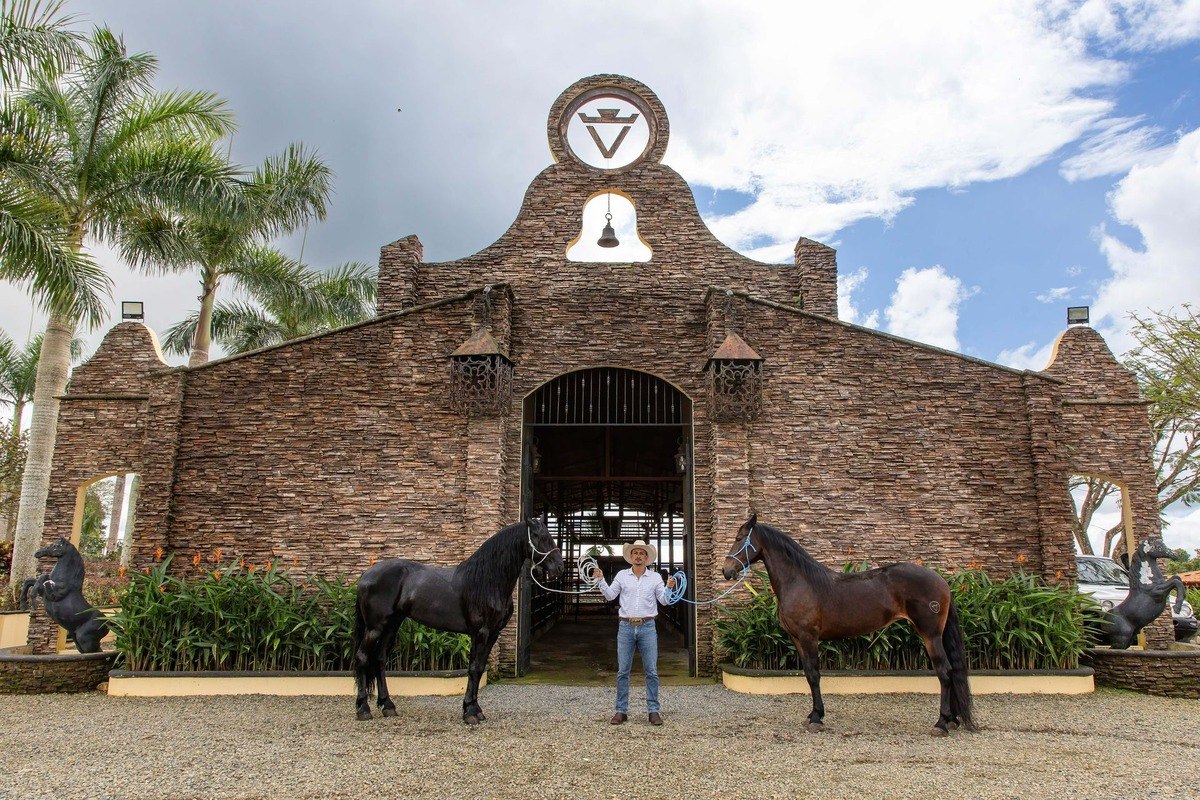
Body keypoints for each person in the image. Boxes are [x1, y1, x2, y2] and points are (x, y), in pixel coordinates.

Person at [592, 539, 676, 726]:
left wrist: (669, 588)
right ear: (631, 557)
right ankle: (621, 711)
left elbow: (664, 601)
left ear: (647, 558)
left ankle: (653, 711)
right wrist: (600, 579)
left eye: (642, 553)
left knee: (652, 671)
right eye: (635, 553)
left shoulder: (655, 578)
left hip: (647, 626)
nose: (638, 556)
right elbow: (610, 595)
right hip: (626, 627)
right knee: (623, 671)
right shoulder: (622, 576)